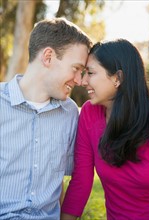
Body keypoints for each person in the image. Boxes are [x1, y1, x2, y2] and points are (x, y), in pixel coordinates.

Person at [61, 39, 149, 220]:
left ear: (118, 78)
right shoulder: (89, 114)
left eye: (90, 73)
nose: (83, 81)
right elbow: (81, 181)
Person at [0, 17, 92, 220]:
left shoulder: (69, 114)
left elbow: (59, 183)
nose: (79, 80)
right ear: (48, 57)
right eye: (76, 68)